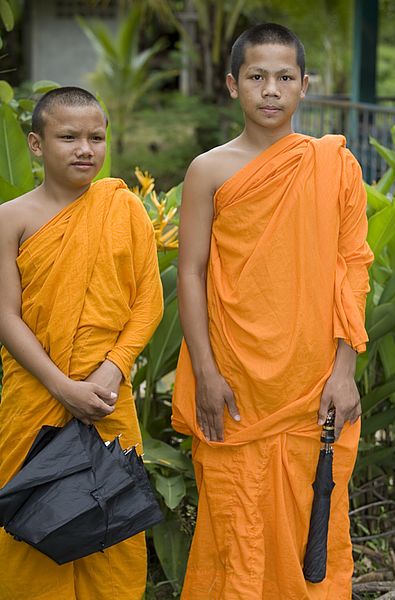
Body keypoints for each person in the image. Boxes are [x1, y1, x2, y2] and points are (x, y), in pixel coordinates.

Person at [172, 23, 374, 600]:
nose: (271, 90)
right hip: (235, 385)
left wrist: (343, 371)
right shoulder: (208, 171)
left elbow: (350, 269)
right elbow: (190, 272)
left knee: (311, 535)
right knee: (236, 531)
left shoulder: (334, 165)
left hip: (311, 385)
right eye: (257, 77)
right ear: (233, 85)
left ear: (304, 86)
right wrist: (206, 373)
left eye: (285, 77)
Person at [0, 87, 163, 599]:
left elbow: (148, 303)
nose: (84, 148)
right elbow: (5, 315)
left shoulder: (123, 207)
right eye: (68, 137)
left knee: (112, 528)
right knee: (32, 523)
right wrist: (61, 386)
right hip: (34, 397)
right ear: (35, 142)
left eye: (96, 137)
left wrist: (110, 370)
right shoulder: (12, 217)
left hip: (105, 400)